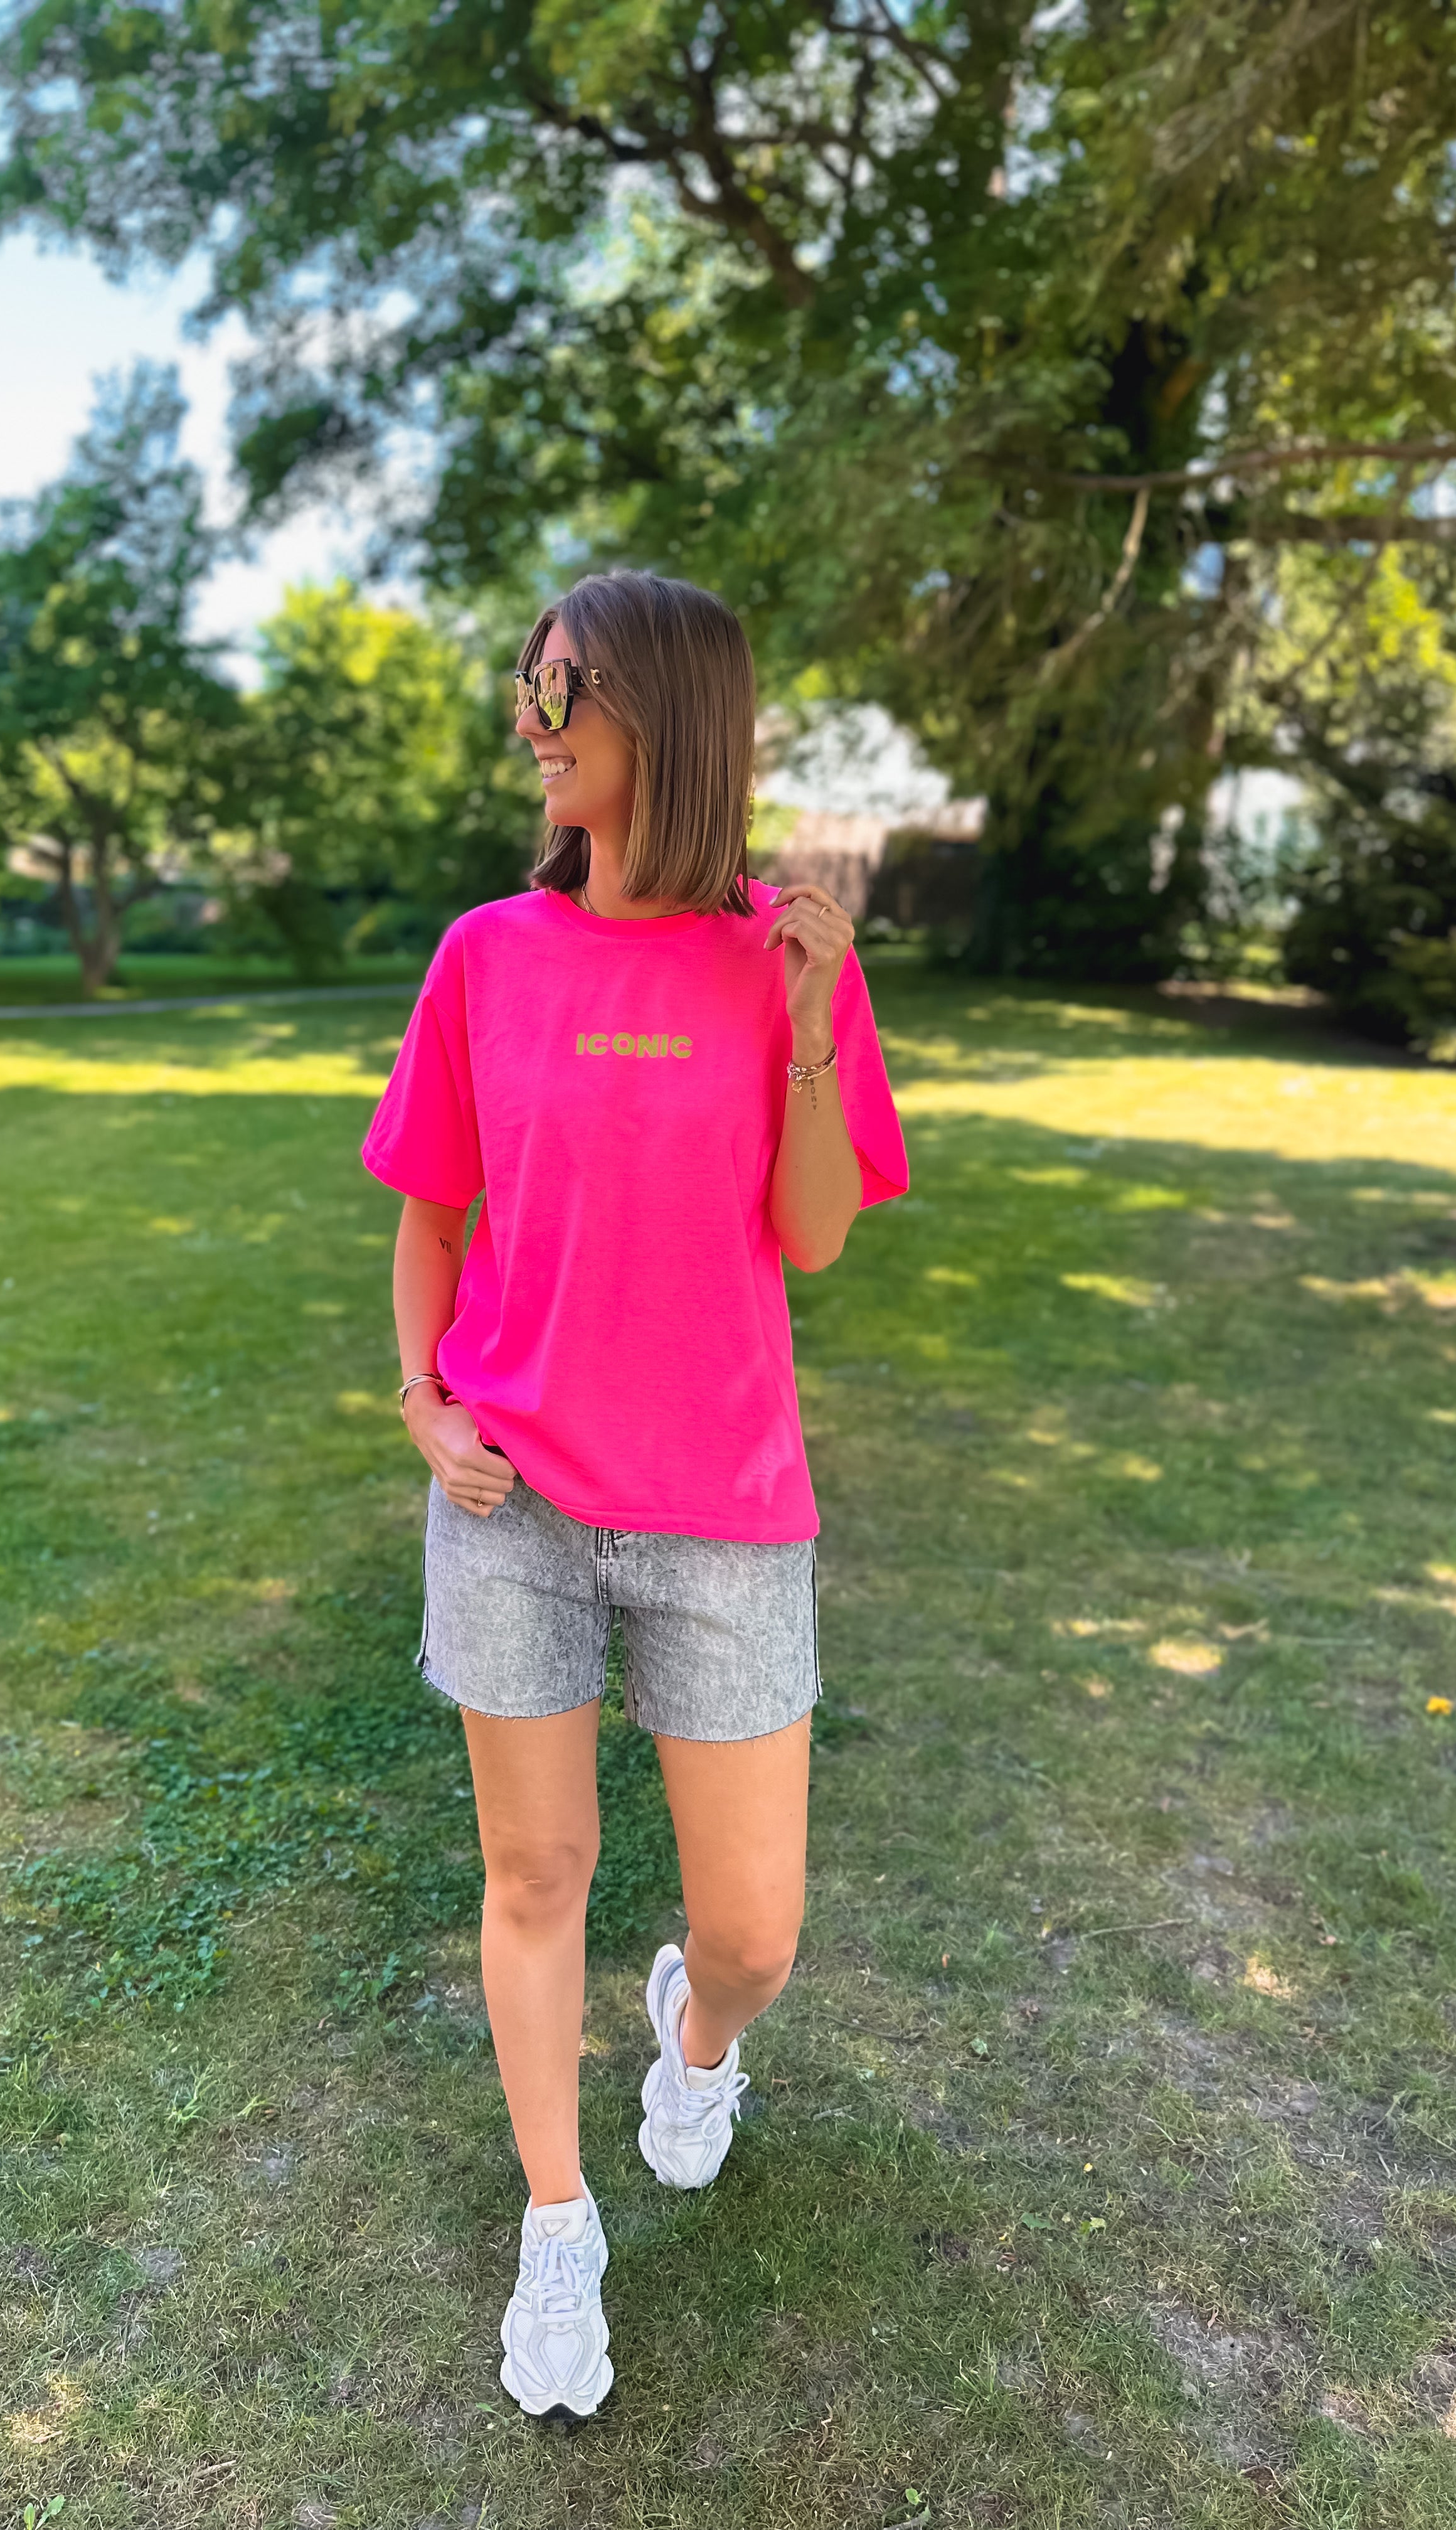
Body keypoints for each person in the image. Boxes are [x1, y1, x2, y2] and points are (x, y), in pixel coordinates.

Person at [361, 570, 909, 2421]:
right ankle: (557, 2223)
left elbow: (814, 1235)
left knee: (755, 1932)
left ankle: (697, 2034)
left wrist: (815, 1023)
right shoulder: (485, 957)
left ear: (661, 713)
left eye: (560, 689)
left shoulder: (786, 958)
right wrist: (424, 1402)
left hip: (723, 1511)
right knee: (534, 1877)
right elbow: (432, 1213)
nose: (532, 721)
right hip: (512, 1503)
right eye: (528, 686)